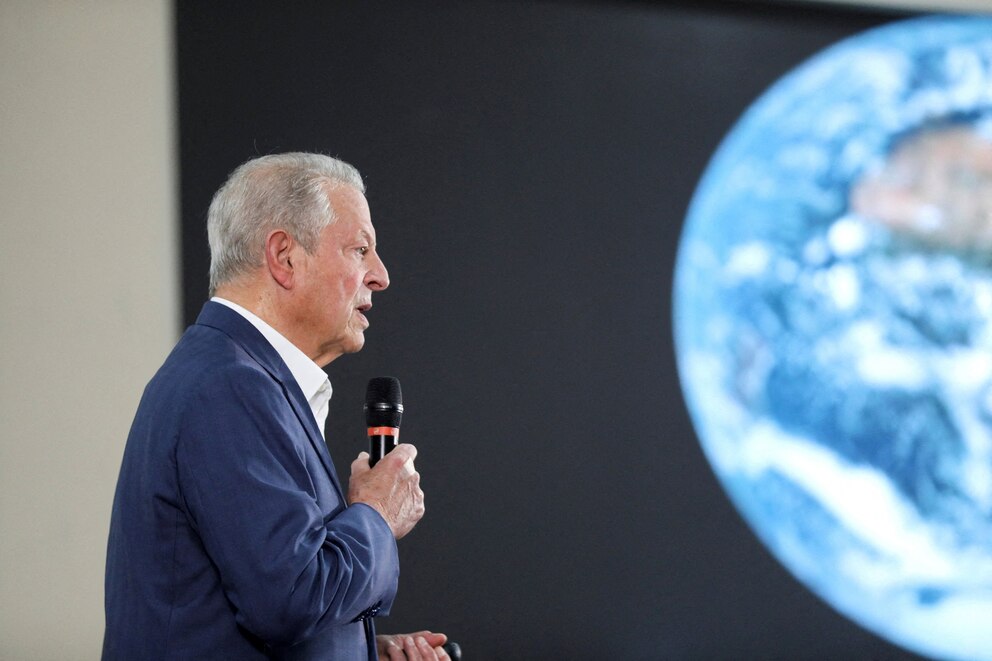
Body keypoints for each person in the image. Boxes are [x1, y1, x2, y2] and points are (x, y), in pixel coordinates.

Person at [103, 152, 449, 660]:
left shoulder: (234, 374)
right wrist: (376, 512)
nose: (381, 275)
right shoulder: (229, 387)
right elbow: (291, 597)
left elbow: (258, 603)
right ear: (284, 257)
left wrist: (361, 651)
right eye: (360, 249)